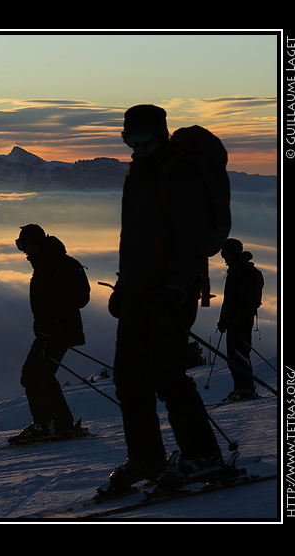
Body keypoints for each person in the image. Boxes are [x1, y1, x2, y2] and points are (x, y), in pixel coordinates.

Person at [102, 104, 228, 494]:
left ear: (162, 133)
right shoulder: (138, 171)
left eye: (144, 139)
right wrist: (125, 285)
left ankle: (203, 455)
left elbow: (190, 237)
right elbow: (137, 239)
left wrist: (176, 289)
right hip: (140, 289)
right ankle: (146, 458)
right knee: (128, 377)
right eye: (129, 140)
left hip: (172, 290)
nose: (137, 147)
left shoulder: (181, 171)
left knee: (166, 373)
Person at [8, 224, 90, 445]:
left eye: (23, 245)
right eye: (19, 245)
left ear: (36, 242)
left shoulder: (51, 266)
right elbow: (79, 299)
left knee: (32, 375)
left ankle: (46, 424)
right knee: (42, 375)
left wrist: (51, 326)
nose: (23, 250)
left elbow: (58, 302)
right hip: (58, 331)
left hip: (53, 332)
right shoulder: (57, 263)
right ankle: (59, 423)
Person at [217, 238, 264, 401]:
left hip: (240, 320)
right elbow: (230, 300)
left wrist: (228, 318)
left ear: (233, 253)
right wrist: (224, 319)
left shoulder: (242, 271)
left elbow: (237, 299)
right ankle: (241, 388)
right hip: (236, 319)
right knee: (234, 354)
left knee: (239, 353)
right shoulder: (237, 270)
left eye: (226, 254)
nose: (224, 257)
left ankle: (246, 388)